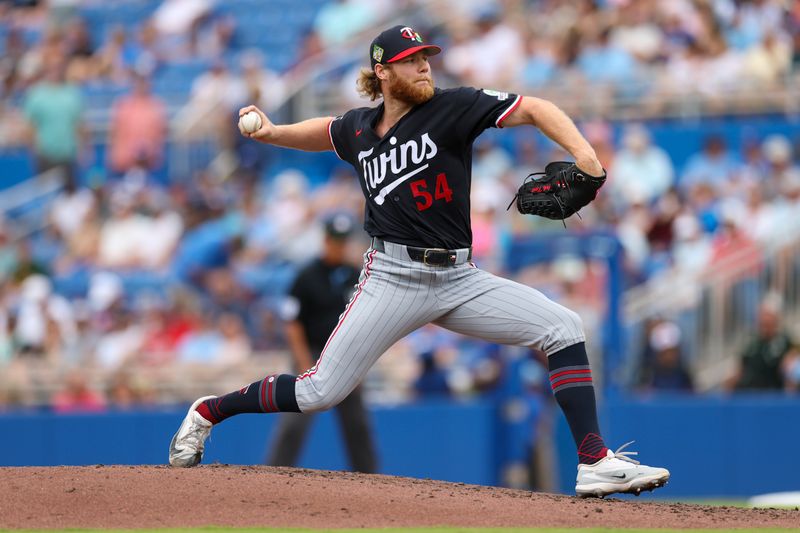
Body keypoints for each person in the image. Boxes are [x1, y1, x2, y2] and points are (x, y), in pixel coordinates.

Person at [169, 25, 669, 498]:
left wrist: (585, 156)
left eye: (426, 58)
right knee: (321, 390)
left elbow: (535, 108)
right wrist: (273, 133)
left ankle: (593, 460)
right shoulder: (359, 128)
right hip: (392, 277)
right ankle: (209, 410)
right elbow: (325, 130)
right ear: (382, 72)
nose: (425, 68)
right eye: (411, 62)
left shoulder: (455, 108)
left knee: (562, 326)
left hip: (458, 277)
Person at [266, 213, 378, 473]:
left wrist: (360, 361)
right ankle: (274, 473)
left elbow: (364, 321)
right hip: (313, 351)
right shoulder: (306, 276)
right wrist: (303, 360)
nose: (338, 246)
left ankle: (371, 479)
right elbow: (292, 321)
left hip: (345, 355)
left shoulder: (355, 274)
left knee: (357, 424)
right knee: (294, 421)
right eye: (334, 241)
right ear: (325, 240)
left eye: (342, 241)